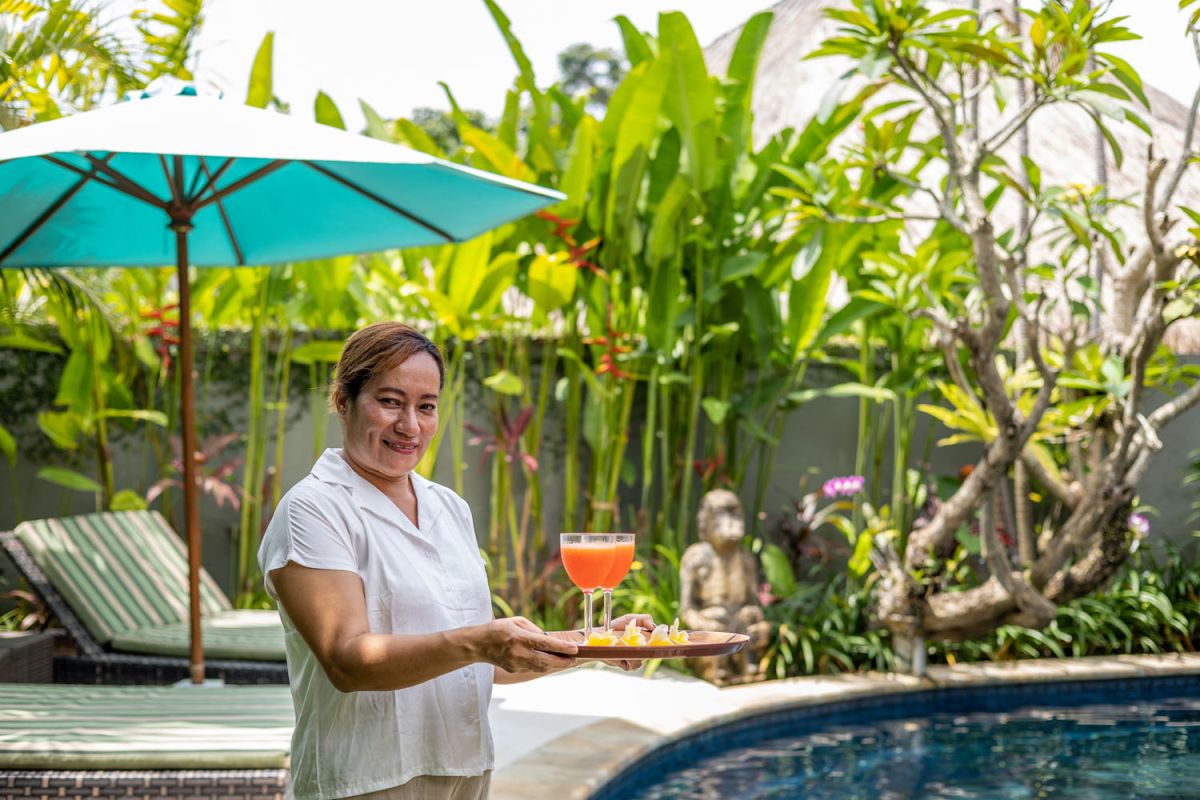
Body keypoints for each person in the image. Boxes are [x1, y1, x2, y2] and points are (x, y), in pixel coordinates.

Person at [259, 322, 651, 800]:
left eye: (426, 406)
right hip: (366, 781)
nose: (410, 425)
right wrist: (479, 642)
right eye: (389, 401)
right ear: (343, 400)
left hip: (464, 773)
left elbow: (485, 662)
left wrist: (597, 643)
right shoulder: (313, 508)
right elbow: (348, 662)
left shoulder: (448, 508)